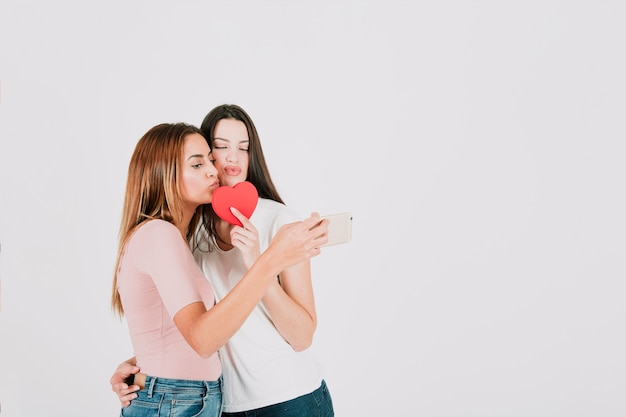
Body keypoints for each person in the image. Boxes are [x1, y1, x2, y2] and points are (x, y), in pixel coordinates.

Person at [111, 105, 335, 416]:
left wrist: (261, 260)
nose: (230, 159)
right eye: (218, 148)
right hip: (222, 403)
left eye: (243, 148)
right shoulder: (189, 231)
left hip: (288, 397)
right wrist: (145, 370)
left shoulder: (279, 221)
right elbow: (188, 325)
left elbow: (302, 337)